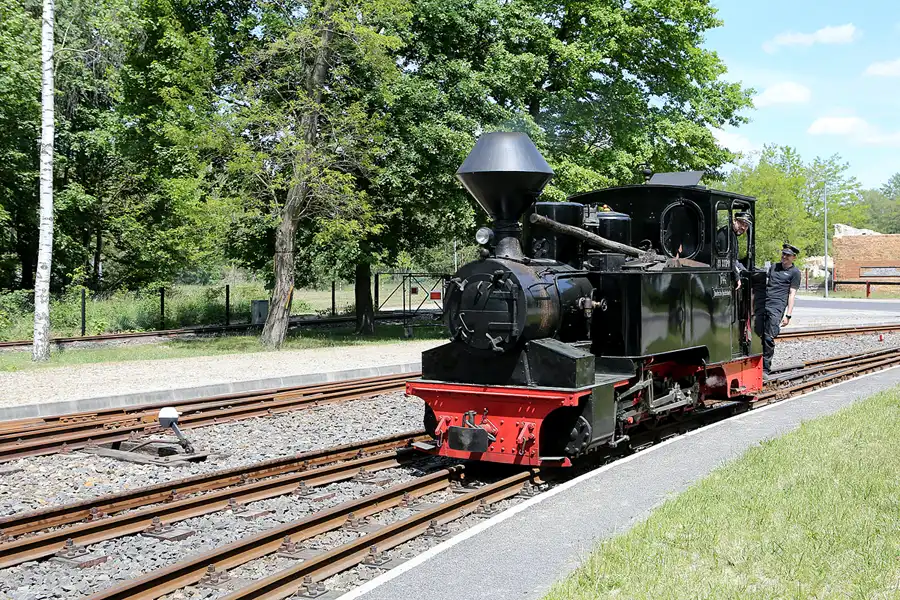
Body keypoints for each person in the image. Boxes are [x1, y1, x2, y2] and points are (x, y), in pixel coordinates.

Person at [755, 243, 801, 378]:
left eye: (788, 255)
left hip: (777, 306)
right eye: (783, 254)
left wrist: (788, 315)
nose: (784, 257)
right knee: (758, 334)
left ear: (794, 258)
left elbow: (792, 294)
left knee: (769, 337)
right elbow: (765, 283)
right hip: (763, 302)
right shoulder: (774, 267)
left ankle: (765, 368)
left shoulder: (795, 272)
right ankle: (756, 365)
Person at [715, 212, 752, 289]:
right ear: (734, 221)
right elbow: (726, 259)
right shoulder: (725, 235)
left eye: (746, 226)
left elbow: (735, 260)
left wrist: (744, 271)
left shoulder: (732, 235)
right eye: (741, 223)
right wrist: (737, 277)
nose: (743, 228)